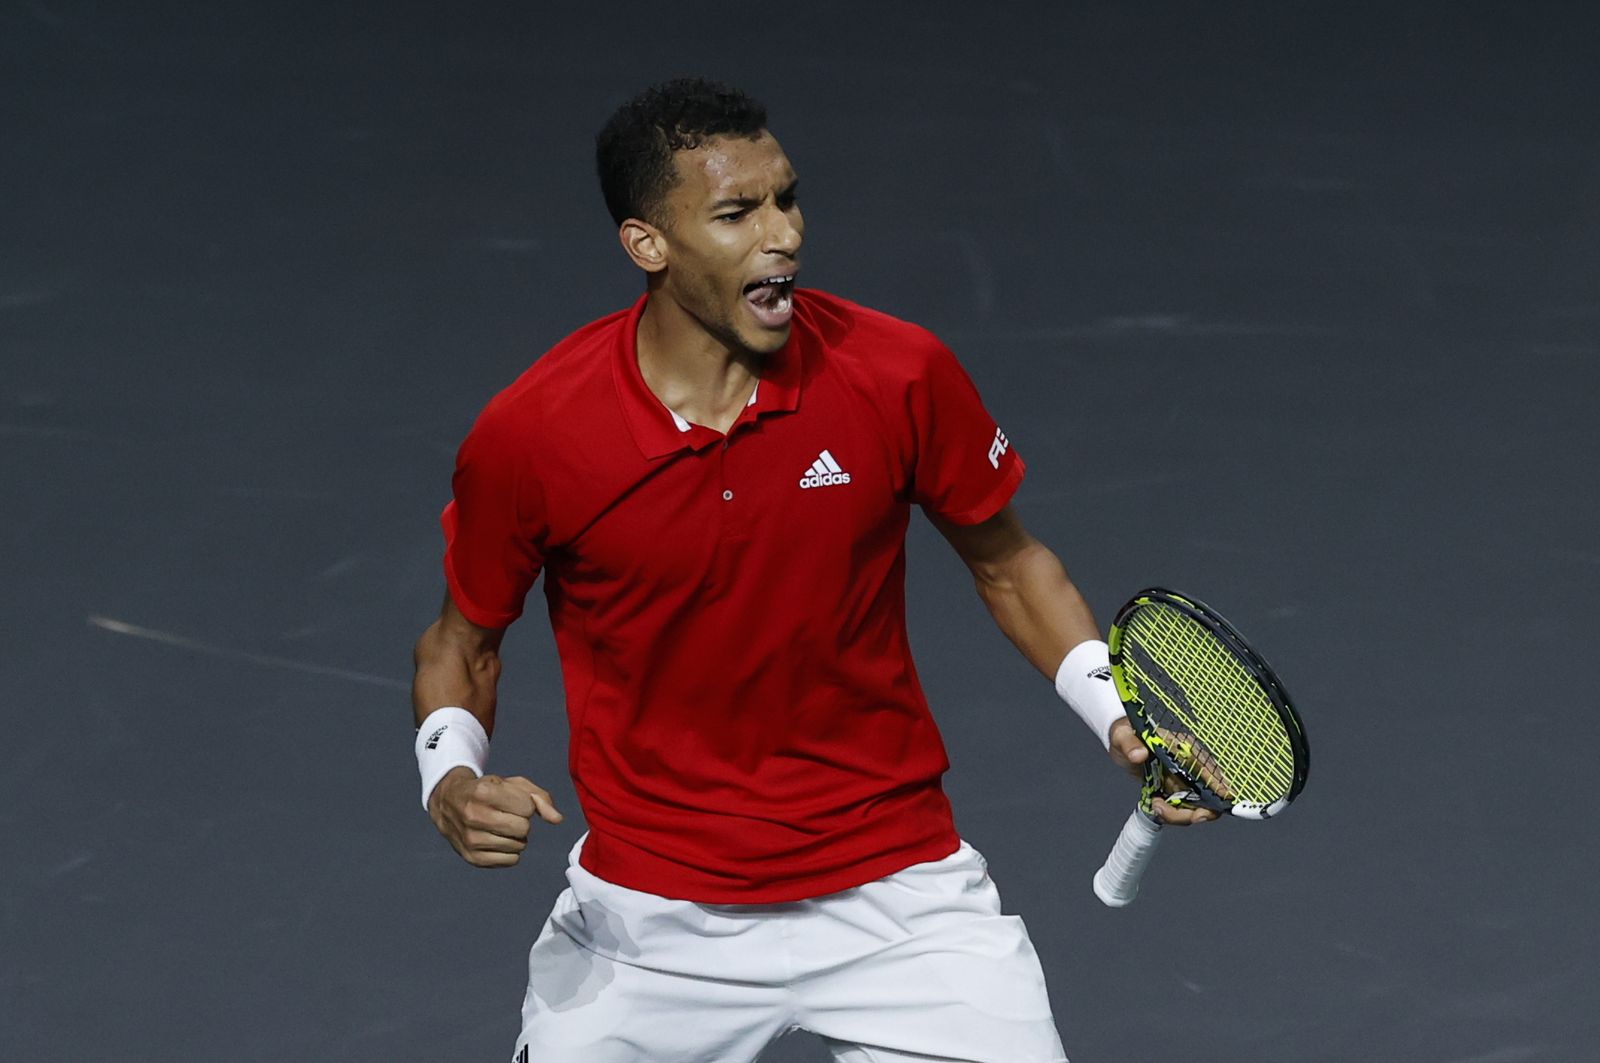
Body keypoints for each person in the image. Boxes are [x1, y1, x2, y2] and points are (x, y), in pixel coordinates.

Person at [411, 77, 1213, 1063]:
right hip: (652, 926)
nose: (781, 233)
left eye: (785, 198)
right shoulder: (532, 434)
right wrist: (449, 779)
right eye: (736, 213)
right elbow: (462, 643)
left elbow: (1010, 566)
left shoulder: (894, 372)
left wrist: (1117, 713)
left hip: (898, 904)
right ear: (646, 245)